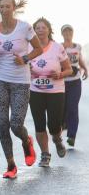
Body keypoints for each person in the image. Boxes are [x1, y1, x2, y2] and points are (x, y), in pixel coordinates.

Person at [0, 0, 43, 179]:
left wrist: (25, 59)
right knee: (3, 124)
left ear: (13, 8)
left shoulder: (24, 27)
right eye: (1, 6)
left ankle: (27, 142)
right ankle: (11, 165)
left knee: (16, 124)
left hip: (21, 82)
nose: (4, 10)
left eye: (7, 6)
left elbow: (38, 49)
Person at [28, 18, 72, 167]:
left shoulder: (57, 47)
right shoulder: (28, 47)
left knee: (54, 125)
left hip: (56, 91)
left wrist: (59, 75)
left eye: (43, 27)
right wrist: (25, 70)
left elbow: (69, 69)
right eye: (37, 28)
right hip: (35, 91)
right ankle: (45, 154)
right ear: (33, 31)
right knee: (39, 125)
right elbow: (21, 65)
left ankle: (57, 139)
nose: (40, 30)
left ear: (49, 30)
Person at [61, 24, 88, 146]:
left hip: (75, 81)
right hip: (62, 82)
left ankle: (72, 135)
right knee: (63, 106)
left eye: (69, 32)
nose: (67, 34)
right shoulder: (60, 47)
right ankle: (65, 124)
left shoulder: (77, 46)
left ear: (72, 33)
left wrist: (85, 69)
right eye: (65, 32)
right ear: (62, 34)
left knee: (73, 106)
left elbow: (80, 59)